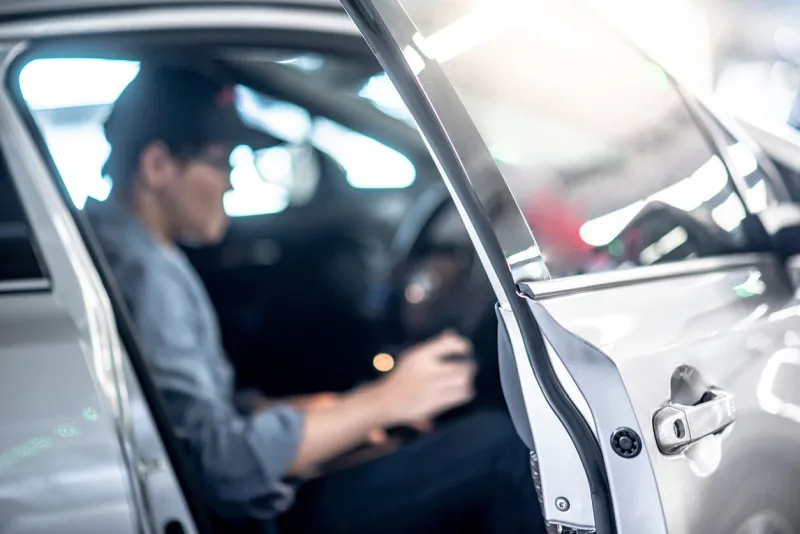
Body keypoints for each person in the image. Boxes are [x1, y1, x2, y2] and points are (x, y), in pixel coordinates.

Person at [87, 64, 544, 534]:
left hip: (245, 499)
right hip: (255, 519)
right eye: (223, 162)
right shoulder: (146, 276)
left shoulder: (130, 250)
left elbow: (189, 418)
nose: (232, 182)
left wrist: (309, 413)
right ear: (159, 166)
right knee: (504, 451)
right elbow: (221, 468)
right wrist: (384, 401)